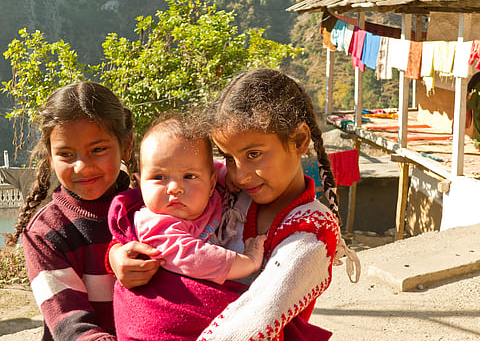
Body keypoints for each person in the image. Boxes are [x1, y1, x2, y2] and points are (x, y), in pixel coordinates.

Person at [109, 68, 360, 340]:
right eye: (229, 157)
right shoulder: (224, 188)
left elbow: (251, 322)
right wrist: (116, 255)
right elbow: (153, 218)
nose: (240, 174)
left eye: (254, 154)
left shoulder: (311, 235)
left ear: (299, 140)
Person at [4, 82, 161, 340]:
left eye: (98, 150)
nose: (82, 167)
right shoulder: (45, 233)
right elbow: (71, 324)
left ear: (126, 142)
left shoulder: (152, 207)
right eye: (66, 154)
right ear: (50, 157)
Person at [108, 115, 266, 340]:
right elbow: (195, 257)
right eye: (159, 177)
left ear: (211, 183)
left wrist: (225, 175)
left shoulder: (213, 192)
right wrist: (249, 260)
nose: (175, 188)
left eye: (189, 176)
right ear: (140, 182)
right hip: (158, 321)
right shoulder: (153, 222)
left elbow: (213, 166)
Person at [467, 72, 480, 150]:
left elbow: (469, 88)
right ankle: (478, 144)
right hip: (477, 102)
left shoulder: (477, 76)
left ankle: (478, 144)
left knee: (477, 123)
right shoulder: (477, 76)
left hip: (476, 102)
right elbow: (469, 88)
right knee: (477, 122)